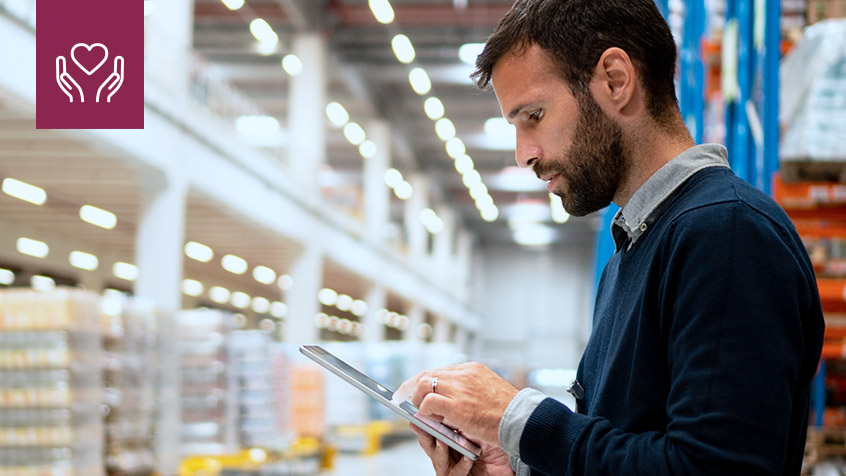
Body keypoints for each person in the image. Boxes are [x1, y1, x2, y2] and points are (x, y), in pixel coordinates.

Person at [395, 0, 825, 475]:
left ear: (616, 80)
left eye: (534, 116)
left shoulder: (726, 234)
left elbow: (712, 469)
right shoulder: (632, 253)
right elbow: (625, 448)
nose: (524, 154)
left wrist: (516, 417)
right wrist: (514, 466)